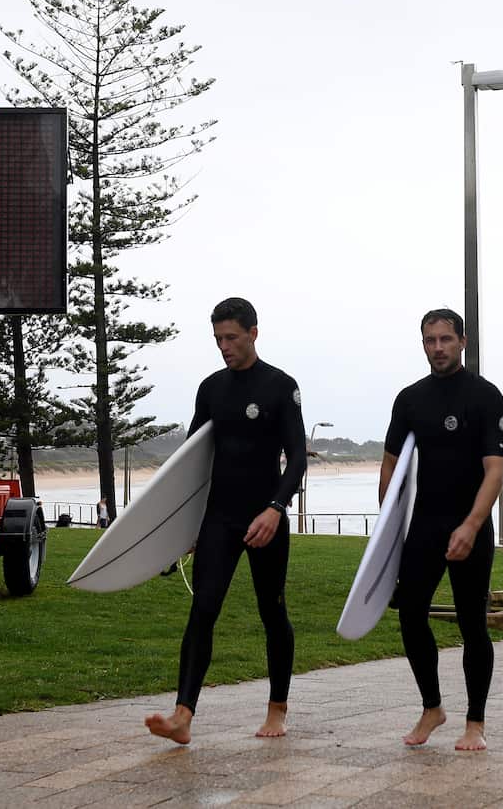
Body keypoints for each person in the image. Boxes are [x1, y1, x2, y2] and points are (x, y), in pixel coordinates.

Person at [146, 297, 306, 745]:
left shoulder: (280, 386)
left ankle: (277, 708)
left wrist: (275, 509)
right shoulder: (211, 388)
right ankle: (183, 715)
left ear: (253, 333)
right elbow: (192, 461)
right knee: (203, 610)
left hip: (265, 517)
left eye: (231, 337)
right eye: (218, 339)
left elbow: (296, 459)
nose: (224, 347)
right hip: (219, 517)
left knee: (272, 613)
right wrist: (187, 525)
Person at [379, 308, 503, 752]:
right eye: (430, 340)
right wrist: (387, 532)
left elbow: (495, 469)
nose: (438, 347)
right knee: (411, 614)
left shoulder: (486, 397)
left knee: (473, 624)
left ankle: (475, 722)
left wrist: (472, 525)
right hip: (425, 526)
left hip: (470, 524)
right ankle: (432, 707)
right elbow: (392, 464)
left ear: (463, 341)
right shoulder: (410, 399)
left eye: (446, 339)